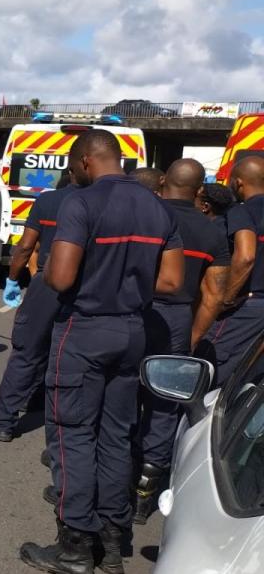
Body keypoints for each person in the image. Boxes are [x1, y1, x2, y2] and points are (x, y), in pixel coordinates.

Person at [19, 129, 183, 574]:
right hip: (133, 331)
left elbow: (61, 278)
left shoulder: (82, 202)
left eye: (73, 166)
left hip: (84, 330)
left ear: (86, 161)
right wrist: (128, 284)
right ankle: (112, 546)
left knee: (73, 437)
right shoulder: (157, 207)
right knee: (117, 439)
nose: (73, 174)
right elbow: (170, 282)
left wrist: (68, 269)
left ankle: (74, 547)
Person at [134, 159, 229, 525]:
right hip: (177, 319)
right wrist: (191, 337)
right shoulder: (211, 233)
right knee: (164, 404)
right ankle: (144, 494)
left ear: (162, 183)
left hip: (134, 311)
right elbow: (213, 295)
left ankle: (111, 478)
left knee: (121, 393)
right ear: (200, 190)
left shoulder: (143, 218)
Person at [0, 170, 78, 442]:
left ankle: (3, 421)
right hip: (86, 285)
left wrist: (12, 278)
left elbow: (26, 246)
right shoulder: (106, 203)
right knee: (67, 356)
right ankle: (46, 414)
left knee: (28, 352)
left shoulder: (49, 202)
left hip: (48, 281)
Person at [197, 156, 264, 388]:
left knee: (208, 370)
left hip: (247, 305)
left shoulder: (240, 212)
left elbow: (245, 257)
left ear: (238, 183)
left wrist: (225, 299)